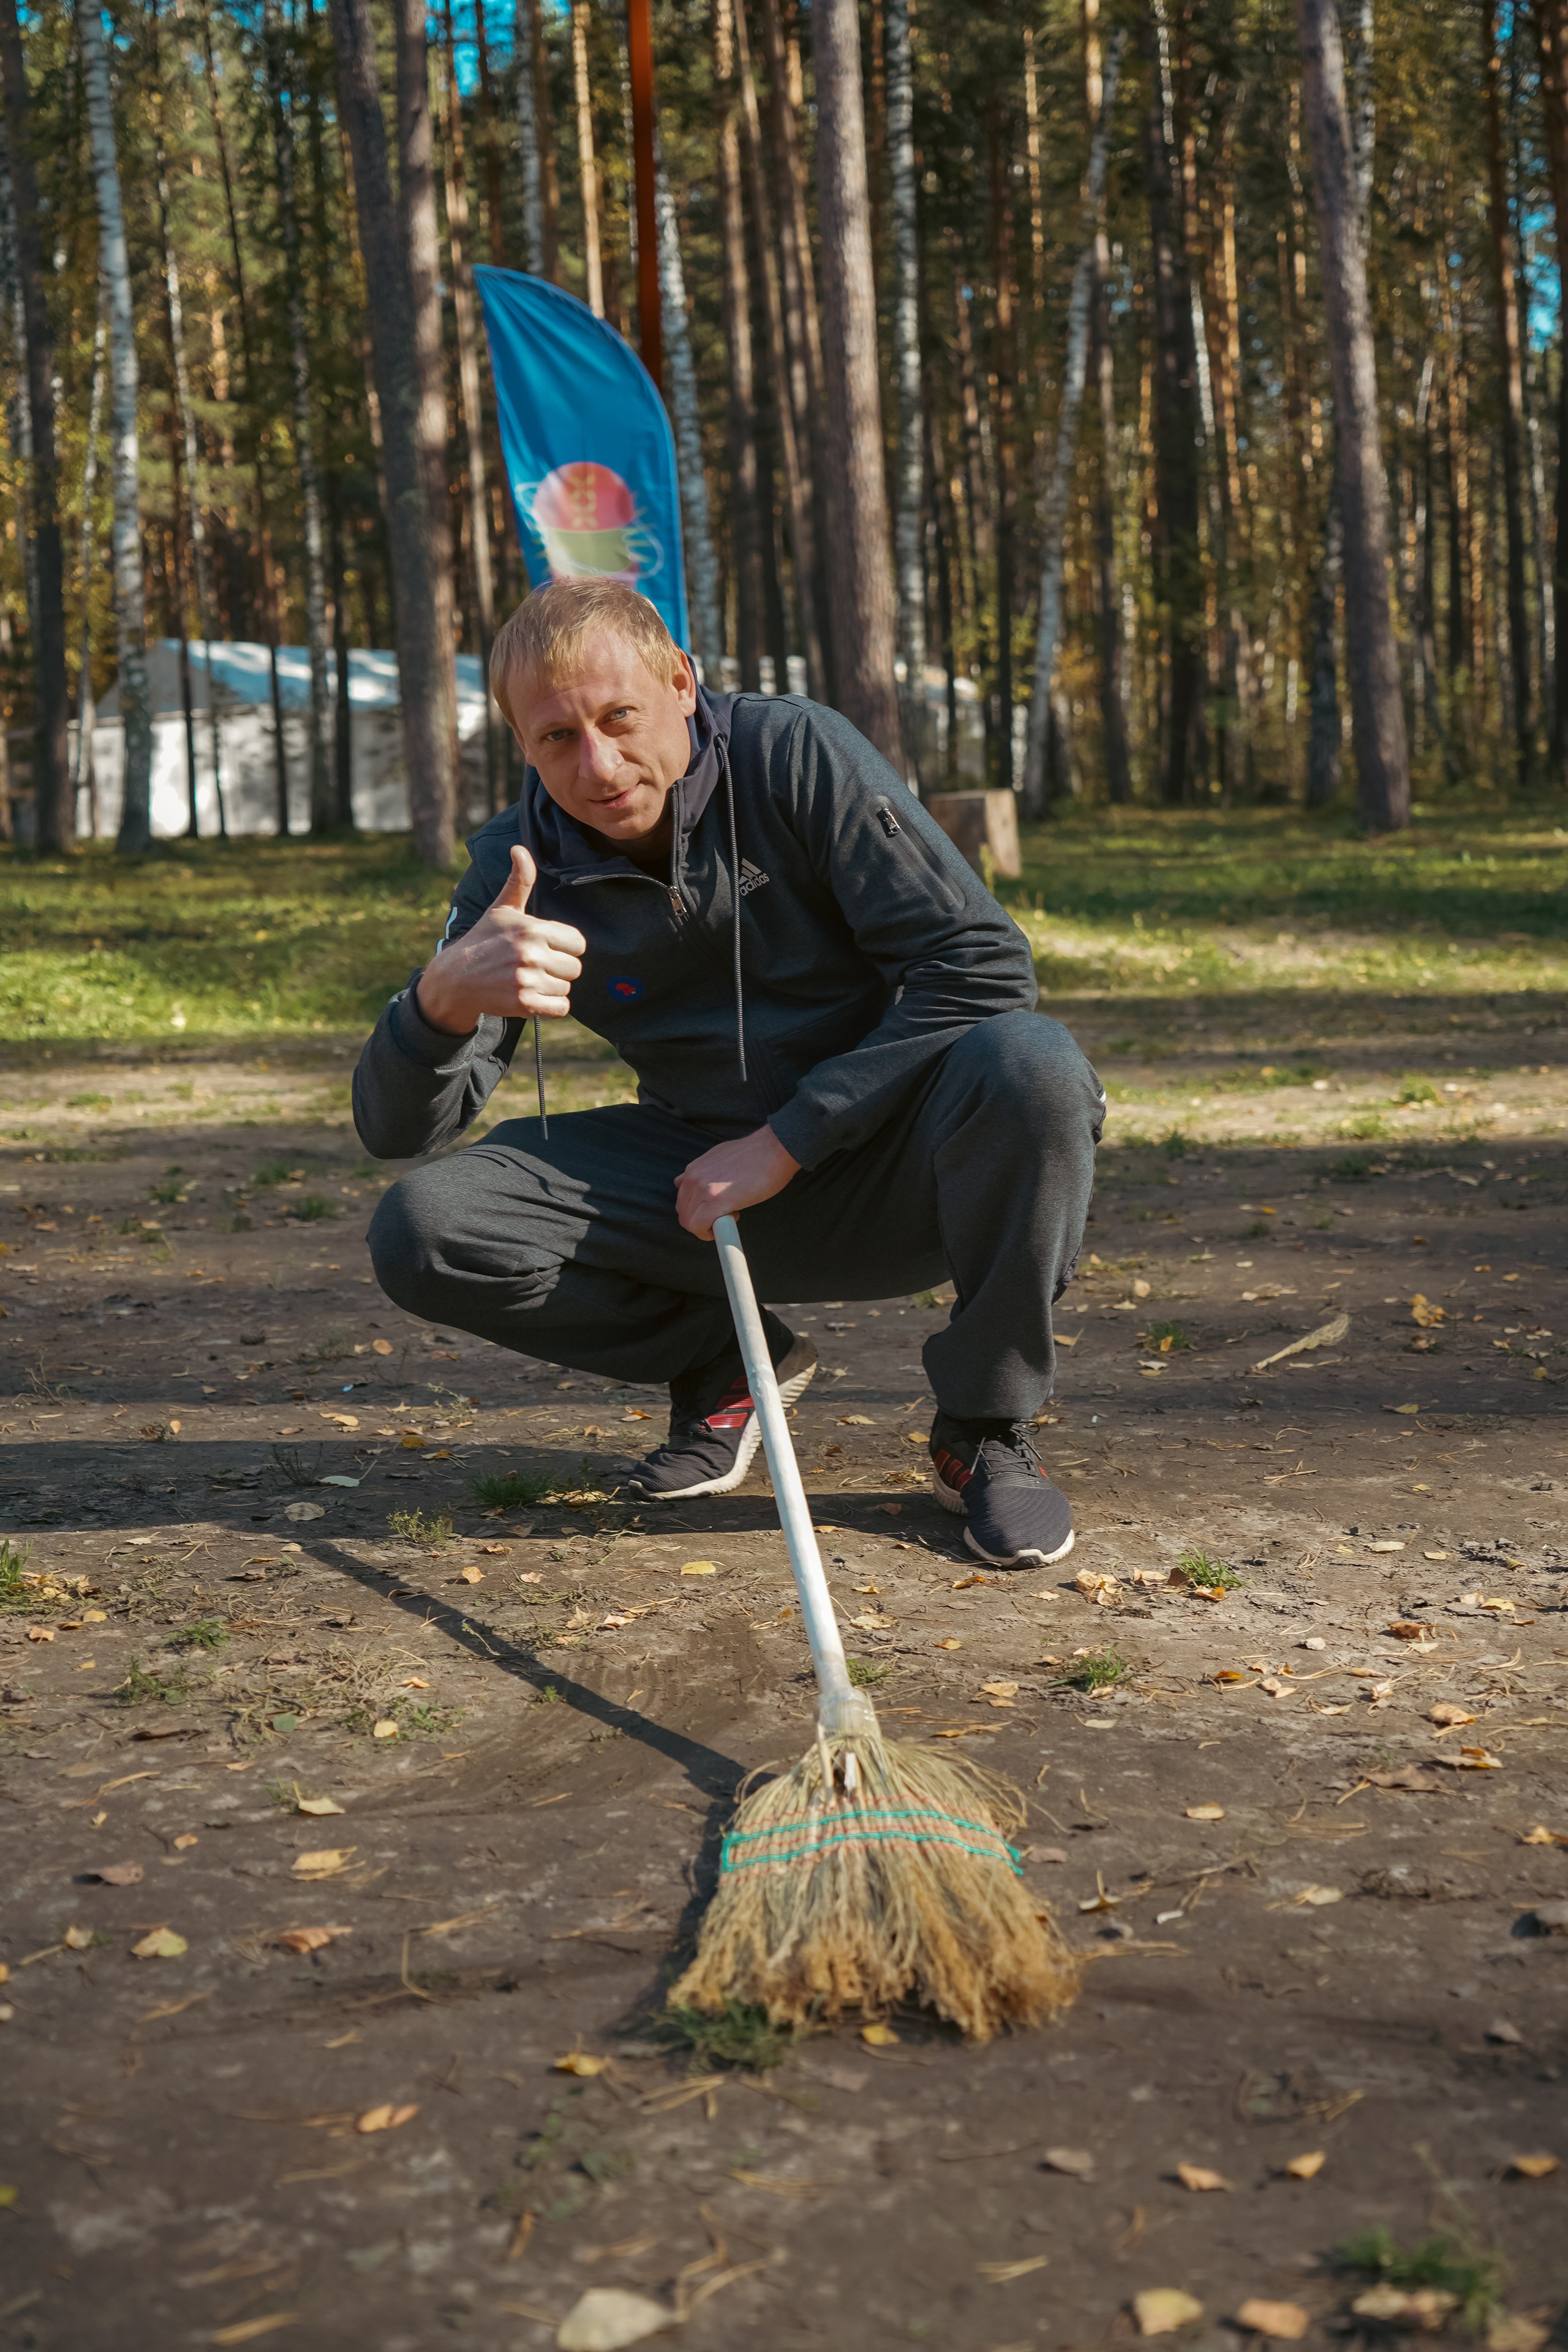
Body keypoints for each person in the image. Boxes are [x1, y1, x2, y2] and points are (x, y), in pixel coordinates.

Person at [354, 579, 1104, 1568]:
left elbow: (983, 963)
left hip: (900, 1161)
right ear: (518, 741)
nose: (599, 764)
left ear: (681, 683)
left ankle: (984, 1427)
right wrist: (438, 1004)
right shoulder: (517, 865)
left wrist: (790, 1137)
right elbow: (400, 1131)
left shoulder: (795, 754)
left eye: (621, 718)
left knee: (1034, 1065)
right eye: (555, 739)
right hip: (698, 1190)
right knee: (426, 1226)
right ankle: (728, 1365)